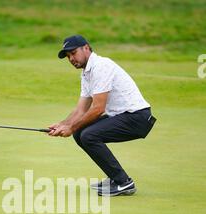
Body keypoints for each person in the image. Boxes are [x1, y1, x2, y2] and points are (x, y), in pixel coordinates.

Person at [49, 35, 156, 196]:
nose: (71, 58)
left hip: (137, 118)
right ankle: (115, 178)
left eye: (73, 53)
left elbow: (98, 108)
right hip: (123, 116)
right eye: (68, 56)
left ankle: (123, 182)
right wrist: (63, 124)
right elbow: (81, 109)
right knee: (80, 133)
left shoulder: (101, 66)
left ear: (86, 48)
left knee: (89, 135)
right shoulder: (86, 73)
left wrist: (71, 127)